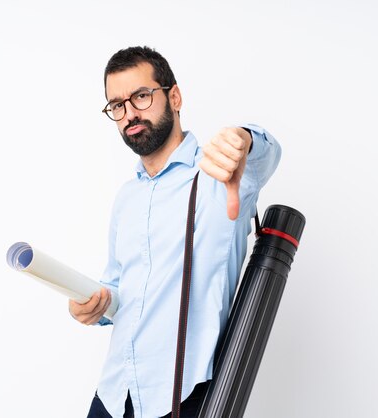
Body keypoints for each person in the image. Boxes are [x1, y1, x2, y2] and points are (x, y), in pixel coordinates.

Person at [69, 46, 281, 418]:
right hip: (115, 393)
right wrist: (95, 305)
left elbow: (266, 154)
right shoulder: (126, 197)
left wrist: (243, 139)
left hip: (181, 395)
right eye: (117, 105)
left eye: (141, 96)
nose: (129, 113)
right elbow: (119, 287)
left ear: (174, 96)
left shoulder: (220, 173)